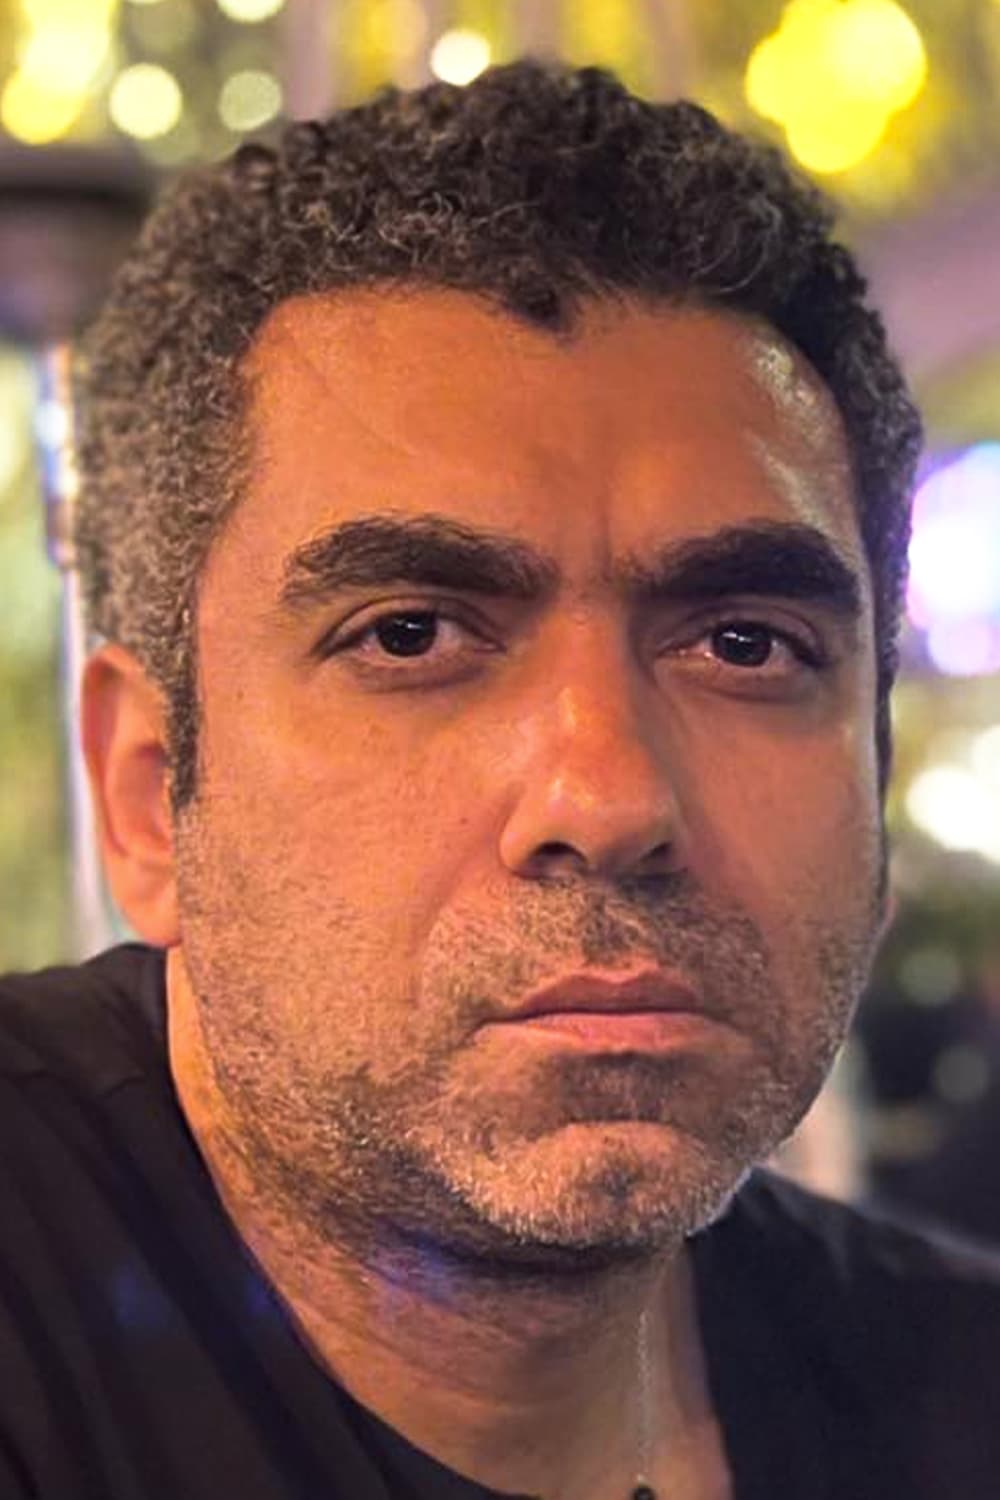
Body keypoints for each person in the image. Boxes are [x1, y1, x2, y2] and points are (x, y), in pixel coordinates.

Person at [1, 58, 998, 1500]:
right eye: (411, 635)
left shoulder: (951, 1391)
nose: (610, 799)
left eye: (745, 644)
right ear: (151, 795)